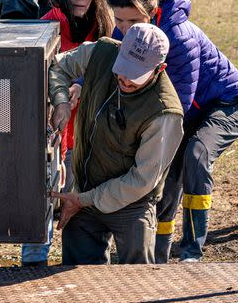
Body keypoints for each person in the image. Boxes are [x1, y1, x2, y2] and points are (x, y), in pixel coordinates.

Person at [106, 0, 238, 263]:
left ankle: (191, 251)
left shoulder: (179, 36)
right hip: (185, 110)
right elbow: (107, 61)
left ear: (151, 12)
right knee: (165, 175)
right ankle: (159, 255)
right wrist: (76, 85)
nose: (124, 29)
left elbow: (180, 103)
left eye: (132, 20)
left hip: (224, 104)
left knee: (195, 156)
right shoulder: (127, 30)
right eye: (118, 20)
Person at [50, 23, 184, 265]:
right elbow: (58, 65)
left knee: (136, 282)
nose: (125, 79)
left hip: (132, 204)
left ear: (159, 69)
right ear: (121, 49)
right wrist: (60, 101)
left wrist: (85, 199)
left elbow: (141, 180)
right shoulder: (101, 52)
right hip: (84, 190)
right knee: (77, 283)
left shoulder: (165, 113)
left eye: (136, 75)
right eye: (123, 69)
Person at [21, 0, 112, 266]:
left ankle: (83, 265)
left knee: (83, 207)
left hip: (89, 138)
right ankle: (32, 264)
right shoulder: (49, 23)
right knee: (41, 202)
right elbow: (36, 74)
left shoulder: (106, 28)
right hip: (52, 136)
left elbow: (114, 75)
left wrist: (83, 85)